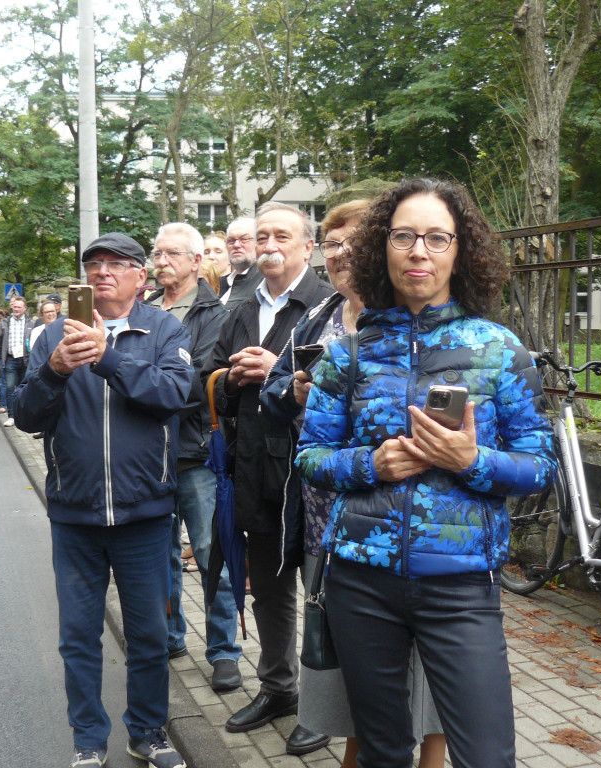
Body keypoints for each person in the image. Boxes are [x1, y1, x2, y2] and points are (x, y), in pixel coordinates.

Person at [295, 178, 557, 768]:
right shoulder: (350, 354)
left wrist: (472, 461)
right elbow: (310, 457)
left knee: (487, 754)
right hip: (360, 580)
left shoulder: (498, 349)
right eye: (405, 236)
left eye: (438, 238)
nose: (420, 252)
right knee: (382, 752)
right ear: (381, 247)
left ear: (460, 251)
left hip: (461, 584)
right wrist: (370, 463)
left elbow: (542, 466)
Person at [261, 199, 446, 765]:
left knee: (427, 673)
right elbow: (271, 399)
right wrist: (291, 394)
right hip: (327, 521)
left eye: (353, 241)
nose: (339, 253)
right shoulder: (314, 319)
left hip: (409, 530)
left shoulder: (409, 319)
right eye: (331, 242)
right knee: (351, 674)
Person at [14, 232, 193, 768]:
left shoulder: (164, 329)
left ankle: (147, 731)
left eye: (117, 265)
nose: (102, 273)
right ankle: (88, 739)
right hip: (75, 513)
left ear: (141, 277)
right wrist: (56, 370)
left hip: (145, 511)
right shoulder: (51, 336)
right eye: (93, 265)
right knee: (78, 636)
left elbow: (173, 396)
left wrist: (109, 358)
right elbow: (26, 414)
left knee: (149, 634)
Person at [206, 202, 334, 756]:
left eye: (282, 235)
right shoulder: (239, 304)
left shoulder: (326, 304)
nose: (269, 245)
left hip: (310, 474)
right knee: (268, 590)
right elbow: (202, 379)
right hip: (254, 467)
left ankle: (323, 705)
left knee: (322, 594)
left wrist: (277, 374)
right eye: (262, 236)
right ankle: (278, 689)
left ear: (308, 247)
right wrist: (233, 378)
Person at [144, 223, 242, 692]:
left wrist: (142, 384)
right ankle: (170, 636)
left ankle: (224, 651)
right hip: (148, 455)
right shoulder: (142, 310)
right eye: (156, 253)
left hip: (196, 453)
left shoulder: (213, 312)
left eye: (170, 254)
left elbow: (195, 379)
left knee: (210, 554)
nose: (160, 261)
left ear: (195, 259)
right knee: (158, 555)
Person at [0, 296, 36, 427]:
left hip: (26, 360)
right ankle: (11, 416)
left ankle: (22, 416)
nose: (16, 309)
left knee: (25, 389)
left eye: (19, 307)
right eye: (14, 306)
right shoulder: (5, 322)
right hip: (10, 359)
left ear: (25, 308)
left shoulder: (31, 324)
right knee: (10, 387)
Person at [218, 217, 263, 306]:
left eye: (244, 239)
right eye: (231, 241)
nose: (236, 245)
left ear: (258, 242)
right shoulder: (221, 284)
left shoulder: (265, 282)